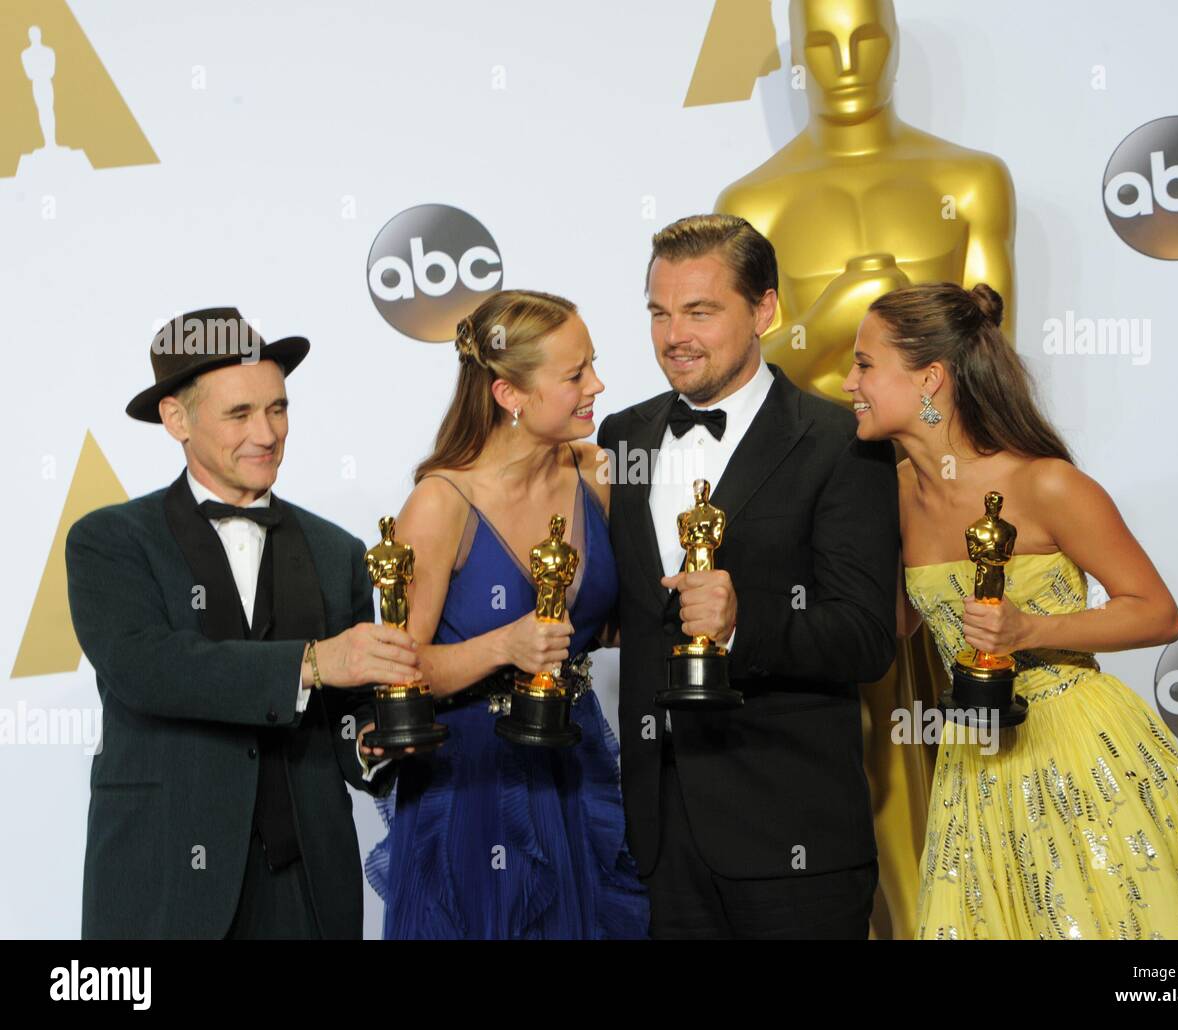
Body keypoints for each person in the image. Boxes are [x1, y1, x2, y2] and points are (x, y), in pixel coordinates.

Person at [844, 280, 1178, 939]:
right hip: (974, 762)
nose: (847, 380)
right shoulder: (893, 492)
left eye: (864, 364)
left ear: (929, 379)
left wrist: (1032, 629)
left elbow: (1157, 613)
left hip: (1077, 745)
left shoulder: (1045, 482)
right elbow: (899, 625)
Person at [66, 307, 417, 939]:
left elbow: (347, 710)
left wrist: (368, 742)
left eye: (278, 409)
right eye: (239, 414)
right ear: (176, 418)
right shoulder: (110, 541)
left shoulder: (338, 553)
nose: (267, 433)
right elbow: (148, 669)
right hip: (164, 880)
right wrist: (311, 661)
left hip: (306, 888)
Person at [597, 214, 899, 939]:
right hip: (658, 839)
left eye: (701, 311)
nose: (675, 336)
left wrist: (742, 625)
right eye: (660, 313)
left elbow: (865, 638)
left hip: (792, 837)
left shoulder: (839, 442)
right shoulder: (623, 435)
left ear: (765, 310)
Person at [363, 289, 649, 939]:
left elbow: (604, 622)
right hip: (474, 786)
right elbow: (397, 674)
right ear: (508, 395)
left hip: (575, 769)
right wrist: (504, 646)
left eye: (593, 365)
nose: (597, 385)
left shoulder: (596, 470)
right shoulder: (440, 504)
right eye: (575, 374)